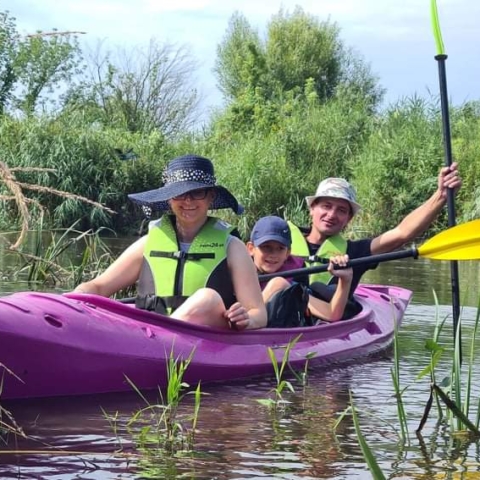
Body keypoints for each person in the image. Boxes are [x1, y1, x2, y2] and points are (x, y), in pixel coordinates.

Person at [73, 154, 267, 331]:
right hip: (147, 334)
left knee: (208, 298)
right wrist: (74, 297)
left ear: (211, 197)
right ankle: (159, 340)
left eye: (197, 192)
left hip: (208, 337)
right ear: (169, 200)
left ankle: (159, 341)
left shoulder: (233, 247)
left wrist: (247, 320)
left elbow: (258, 313)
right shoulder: (148, 243)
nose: (188, 201)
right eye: (179, 193)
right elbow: (98, 287)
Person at [288, 163, 462, 302]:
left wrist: (440, 196)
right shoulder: (281, 242)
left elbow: (402, 233)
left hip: (326, 325)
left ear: (348, 218)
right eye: (326, 206)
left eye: (341, 210)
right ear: (312, 208)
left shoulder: (357, 252)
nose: (332, 214)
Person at [246, 215, 353, 325]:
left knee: (279, 283)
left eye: (280, 248)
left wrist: (345, 280)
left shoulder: (292, 282)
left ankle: (249, 320)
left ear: (287, 253)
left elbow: (332, 314)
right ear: (250, 249)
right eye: (266, 247)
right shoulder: (239, 273)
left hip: (276, 328)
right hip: (247, 323)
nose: (273, 254)